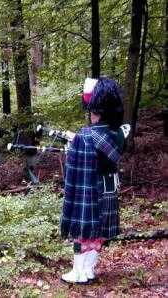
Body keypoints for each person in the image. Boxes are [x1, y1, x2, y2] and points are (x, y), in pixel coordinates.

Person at [60, 77, 126, 284]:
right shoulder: (119, 134)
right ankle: (89, 270)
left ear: (93, 109)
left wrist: (71, 148)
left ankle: (78, 272)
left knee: (83, 232)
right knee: (100, 232)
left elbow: (76, 171)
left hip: (88, 191)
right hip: (108, 189)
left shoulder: (85, 136)